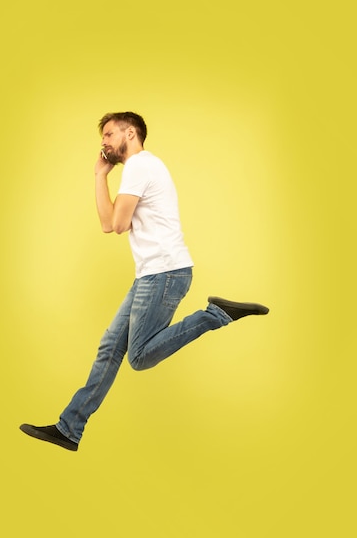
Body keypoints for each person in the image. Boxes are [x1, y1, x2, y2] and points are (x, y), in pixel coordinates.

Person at [20, 112, 269, 451]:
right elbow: (109, 224)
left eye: (109, 134)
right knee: (111, 347)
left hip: (163, 273)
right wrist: (98, 174)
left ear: (131, 132)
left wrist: (103, 178)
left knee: (137, 358)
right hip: (152, 274)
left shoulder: (140, 166)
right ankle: (69, 429)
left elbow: (117, 224)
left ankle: (216, 315)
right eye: (102, 137)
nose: (104, 142)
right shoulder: (141, 168)